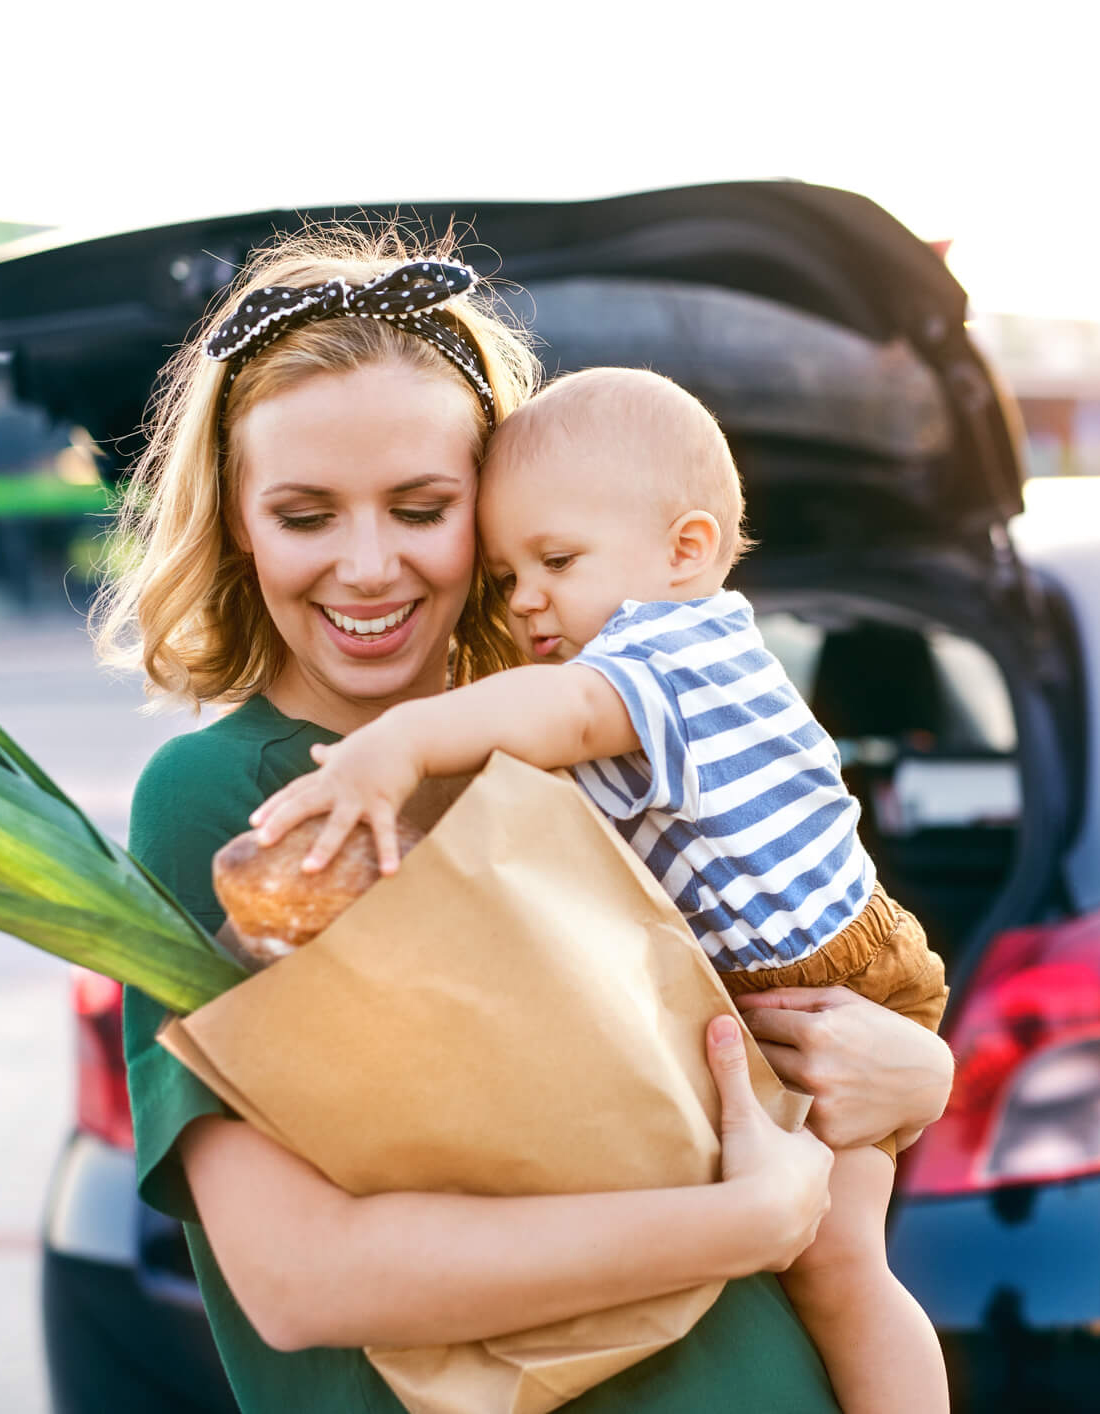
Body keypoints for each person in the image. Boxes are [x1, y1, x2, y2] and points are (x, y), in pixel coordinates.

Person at [92, 228, 955, 1414]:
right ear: (238, 523)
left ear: (490, 514)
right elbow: (297, 1279)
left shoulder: (568, 752)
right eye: (304, 514)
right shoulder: (227, 800)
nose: (366, 565)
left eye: (420, 506)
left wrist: (916, 1071)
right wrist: (741, 1220)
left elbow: (738, 1025)